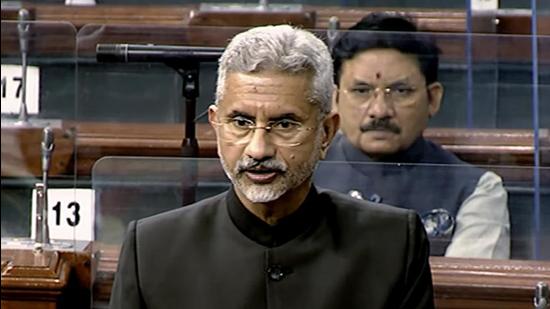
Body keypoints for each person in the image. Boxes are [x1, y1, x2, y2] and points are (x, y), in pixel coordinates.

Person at [109, 25, 434, 309]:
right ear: (215, 125)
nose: (258, 149)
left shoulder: (393, 244)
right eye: (240, 122)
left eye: (284, 124)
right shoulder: (151, 248)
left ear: (326, 133)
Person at [315, 13, 510, 258]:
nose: (379, 111)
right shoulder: (302, 174)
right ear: (335, 99)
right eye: (361, 91)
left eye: (401, 91)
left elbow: (462, 293)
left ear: (433, 98)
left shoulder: (476, 190)